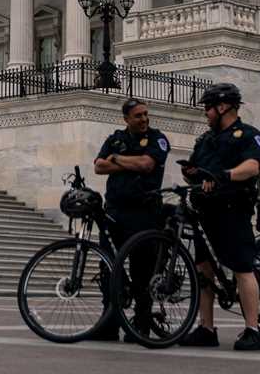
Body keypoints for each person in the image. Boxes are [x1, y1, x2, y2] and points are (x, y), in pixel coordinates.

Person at [179, 82, 260, 352]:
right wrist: (192, 173)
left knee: (242, 267)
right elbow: (195, 166)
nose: (205, 113)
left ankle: (253, 329)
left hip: (232, 208)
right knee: (203, 269)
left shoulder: (247, 135)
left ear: (223, 107)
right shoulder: (206, 139)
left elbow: (253, 166)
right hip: (204, 210)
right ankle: (207, 328)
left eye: (208, 107)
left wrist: (225, 175)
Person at [90, 98, 170, 342]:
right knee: (108, 268)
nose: (144, 119)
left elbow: (147, 165)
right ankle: (109, 323)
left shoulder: (158, 138)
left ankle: (140, 325)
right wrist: (125, 161)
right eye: (138, 116)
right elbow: (98, 167)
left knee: (141, 271)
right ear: (126, 119)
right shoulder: (115, 138)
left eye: (146, 114)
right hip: (114, 212)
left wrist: (116, 159)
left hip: (144, 213)